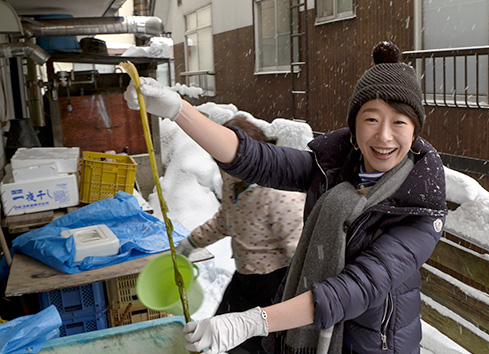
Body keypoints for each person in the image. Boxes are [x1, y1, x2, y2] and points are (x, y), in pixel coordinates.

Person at [125, 40, 447, 354]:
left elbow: (358, 287)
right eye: (372, 119)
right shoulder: (334, 169)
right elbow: (256, 159)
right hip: (317, 328)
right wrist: (179, 110)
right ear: (354, 126)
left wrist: (252, 322)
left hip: (375, 344)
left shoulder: (418, 207)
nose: (384, 136)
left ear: (415, 130)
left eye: (400, 122)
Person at [175, 116, 306, 354]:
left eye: (234, 159)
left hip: (274, 284)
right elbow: (225, 220)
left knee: (259, 345)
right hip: (244, 279)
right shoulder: (232, 182)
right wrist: (191, 242)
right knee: (220, 334)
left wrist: (301, 300)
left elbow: (298, 249)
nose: (228, 167)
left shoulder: (279, 193)